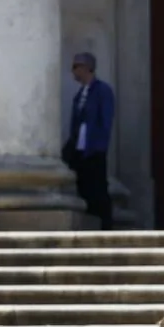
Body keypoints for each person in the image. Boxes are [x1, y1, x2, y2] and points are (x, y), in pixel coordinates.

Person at [62, 52, 115, 230]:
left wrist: (100, 145)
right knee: (83, 186)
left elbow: (105, 120)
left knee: (98, 187)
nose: (73, 71)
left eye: (76, 66)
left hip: (94, 148)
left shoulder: (102, 91)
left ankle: (105, 226)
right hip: (80, 148)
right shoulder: (80, 94)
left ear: (86, 68)